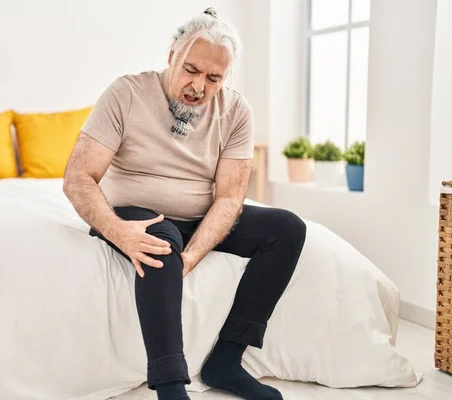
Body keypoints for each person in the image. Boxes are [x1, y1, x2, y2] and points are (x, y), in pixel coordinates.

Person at [63, 8, 306, 400]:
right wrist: (116, 231)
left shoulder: (236, 110)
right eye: (191, 70)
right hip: (132, 214)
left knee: (287, 228)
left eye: (213, 78)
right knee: (160, 242)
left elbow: (230, 197)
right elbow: (77, 178)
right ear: (171, 54)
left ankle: (227, 359)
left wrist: (191, 257)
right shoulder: (126, 93)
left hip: (198, 217)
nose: (199, 86)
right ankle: (172, 387)